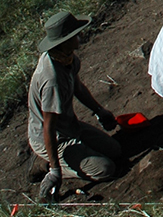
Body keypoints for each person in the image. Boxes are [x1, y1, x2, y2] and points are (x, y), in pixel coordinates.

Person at [28, 11, 122, 201]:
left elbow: (78, 87)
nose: (80, 37)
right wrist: (55, 170)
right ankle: (46, 164)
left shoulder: (67, 59)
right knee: (106, 169)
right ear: (64, 41)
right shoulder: (52, 80)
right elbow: (49, 126)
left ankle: (66, 159)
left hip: (70, 126)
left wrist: (99, 111)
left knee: (116, 150)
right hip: (53, 138)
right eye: (75, 35)